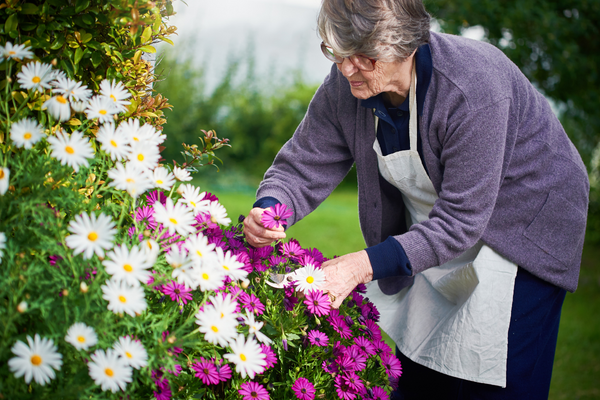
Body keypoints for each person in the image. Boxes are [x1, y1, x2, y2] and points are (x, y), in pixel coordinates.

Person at [243, 0, 589, 398]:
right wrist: (271, 208)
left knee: (495, 379)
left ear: (405, 47)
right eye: (335, 51)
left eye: (363, 57)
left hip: (524, 229)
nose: (345, 68)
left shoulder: (473, 86)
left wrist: (359, 266)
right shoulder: (349, 83)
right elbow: (304, 162)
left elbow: (460, 220)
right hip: (440, 226)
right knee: (419, 366)